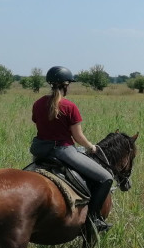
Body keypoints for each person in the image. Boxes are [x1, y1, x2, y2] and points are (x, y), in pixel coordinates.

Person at [29, 66, 114, 232]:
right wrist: (91, 147)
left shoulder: (38, 103)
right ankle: (93, 219)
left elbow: (39, 124)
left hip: (40, 151)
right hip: (62, 151)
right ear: (66, 85)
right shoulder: (69, 106)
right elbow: (78, 137)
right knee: (106, 178)